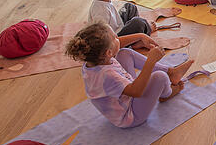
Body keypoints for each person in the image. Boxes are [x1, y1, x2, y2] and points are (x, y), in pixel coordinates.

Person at [65, 22, 193, 128]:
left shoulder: (94, 60)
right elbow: (136, 92)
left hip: (126, 96)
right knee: (160, 77)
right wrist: (151, 61)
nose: (118, 38)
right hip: (130, 116)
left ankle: (171, 72)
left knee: (124, 53)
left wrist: (140, 36)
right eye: (115, 38)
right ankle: (167, 93)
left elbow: (118, 44)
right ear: (108, 52)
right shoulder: (107, 76)